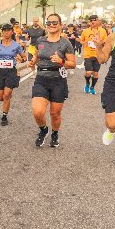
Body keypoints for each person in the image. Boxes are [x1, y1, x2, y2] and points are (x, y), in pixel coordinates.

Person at [28, 14, 76, 147]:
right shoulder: (40, 41)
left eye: (55, 23)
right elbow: (36, 57)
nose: (51, 25)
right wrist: (32, 62)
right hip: (41, 79)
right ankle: (44, 130)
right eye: (49, 23)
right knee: (37, 111)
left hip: (58, 81)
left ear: (60, 24)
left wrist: (62, 61)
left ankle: (55, 133)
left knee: (55, 114)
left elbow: (72, 64)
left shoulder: (65, 43)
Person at [0, 23, 26, 126]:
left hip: (11, 71)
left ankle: (4, 116)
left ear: (12, 32)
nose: (6, 32)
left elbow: (24, 57)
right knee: (0, 97)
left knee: (6, 95)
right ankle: (8, 94)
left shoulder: (16, 45)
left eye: (8, 30)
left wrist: (21, 59)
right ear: (2, 31)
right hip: (0, 71)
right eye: (4, 30)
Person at [94, 29, 115, 153]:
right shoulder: (113, 37)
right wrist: (98, 47)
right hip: (114, 82)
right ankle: (111, 130)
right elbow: (102, 60)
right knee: (112, 123)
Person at [79, 15, 107, 94]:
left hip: (98, 55)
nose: (92, 22)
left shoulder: (102, 31)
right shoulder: (86, 31)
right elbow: (81, 40)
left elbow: (106, 41)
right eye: (91, 20)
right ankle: (87, 83)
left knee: (95, 73)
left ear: (98, 21)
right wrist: (84, 43)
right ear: (89, 22)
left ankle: (92, 87)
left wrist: (100, 43)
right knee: (88, 72)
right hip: (88, 54)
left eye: (94, 20)